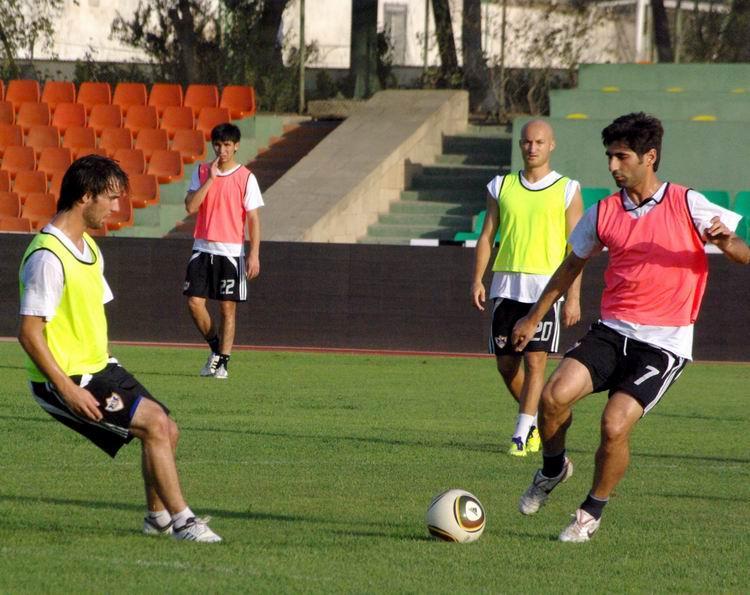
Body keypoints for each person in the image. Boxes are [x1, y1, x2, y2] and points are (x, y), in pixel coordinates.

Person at [512, 112, 750, 542]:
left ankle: (589, 514)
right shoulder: (604, 211)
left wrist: (725, 242)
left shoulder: (687, 202)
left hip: (663, 343)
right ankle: (553, 468)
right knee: (551, 398)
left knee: (614, 425)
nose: (612, 166)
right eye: (609, 156)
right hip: (611, 331)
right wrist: (533, 317)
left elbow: (741, 252)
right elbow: (571, 266)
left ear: (649, 157)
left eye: (621, 156)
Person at [18, 155, 222, 542]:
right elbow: (29, 334)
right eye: (111, 198)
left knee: (167, 428)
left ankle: (157, 519)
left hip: (99, 366)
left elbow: (87, 314)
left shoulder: (89, 249)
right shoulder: (47, 257)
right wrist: (67, 389)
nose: (116, 207)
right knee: (155, 424)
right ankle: (184, 522)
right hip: (66, 378)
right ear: (86, 196)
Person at [471, 119, 583, 457]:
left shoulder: (567, 189)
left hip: (545, 290)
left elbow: (576, 249)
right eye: (526, 142)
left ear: (552, 145)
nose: (532, 148)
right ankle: (534, 419)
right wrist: (478, 278)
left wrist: (573, 296)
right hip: (506, 285)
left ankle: (521, 434)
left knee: (536, 361)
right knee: (507, 366)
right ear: (520, 145)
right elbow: (487, 236)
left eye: (539, 142)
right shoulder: (500, 186)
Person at [183, 122, 263, 379]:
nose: (222, 150)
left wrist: (254, 253)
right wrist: (210, 179)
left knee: (227, 309)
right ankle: (216, 349)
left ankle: (223, 363)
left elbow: (253, 219)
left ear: (236, 146)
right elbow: (190, 207)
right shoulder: (202, 171)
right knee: (194, 303)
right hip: (202, 247)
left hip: (230, 251)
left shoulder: (246, 177)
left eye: (227, 145)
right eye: (217, 145)